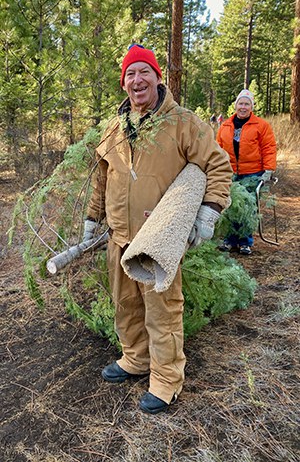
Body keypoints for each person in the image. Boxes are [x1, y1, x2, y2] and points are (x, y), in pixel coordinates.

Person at [83, 44, 232, 414]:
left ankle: (166, 380)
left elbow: (218, 165)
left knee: (163, 310)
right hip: (119, 237)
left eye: (144, 72)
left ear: (157, 77)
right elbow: (103, 177)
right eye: (130, 74)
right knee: (126, 305)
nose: (137, 80)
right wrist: (92, 218)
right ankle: (135, 358)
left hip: (157, 240)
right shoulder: (116, 127)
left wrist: (208, 212)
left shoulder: (182, 122)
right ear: (124, 84)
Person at [216, 88, 277, 255]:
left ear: (252, 107)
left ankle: (245, 242)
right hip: (230, 172)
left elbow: (269, 147)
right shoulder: (225, 125)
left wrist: (268, 169)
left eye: (247, 104)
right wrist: (215, 168)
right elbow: (218, 149)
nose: (243, 107)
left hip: (253, 172)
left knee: (248, 207)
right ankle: (229, 240)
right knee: (230, 205)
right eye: (240, 103)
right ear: (235, 106)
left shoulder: (261, 125)